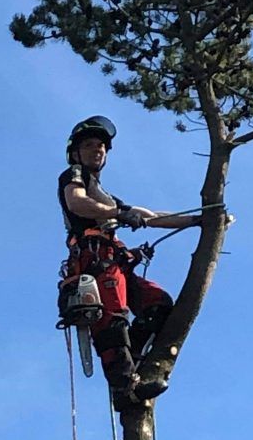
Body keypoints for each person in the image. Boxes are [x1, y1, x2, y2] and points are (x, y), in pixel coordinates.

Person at [57, 115, 199, 407]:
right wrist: (118, 215)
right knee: (112, 319)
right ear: (76, 151)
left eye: (102, 146)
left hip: (116, 260)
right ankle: (123, 389)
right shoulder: (73, 175)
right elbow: (76, 202)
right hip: (94, 257)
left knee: (158, 304)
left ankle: (133, 360)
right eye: (90, 145)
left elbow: (151, 215)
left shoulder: (107, 197)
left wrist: (198, 220)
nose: (98, 150)